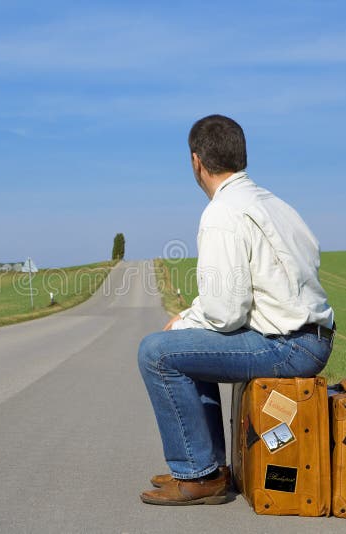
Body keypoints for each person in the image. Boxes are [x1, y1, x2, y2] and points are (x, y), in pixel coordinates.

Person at [138, 114, 335, 505]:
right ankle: (210, 467)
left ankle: (197, 474)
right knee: (190, 345)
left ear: (196, 162)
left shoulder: (222, 214)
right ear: (240, 154)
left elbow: (226, 313)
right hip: (312, 337)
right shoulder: (274, 203)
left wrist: (181, 324)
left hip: (287, 345)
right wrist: (191, 323)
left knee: (156, 352)